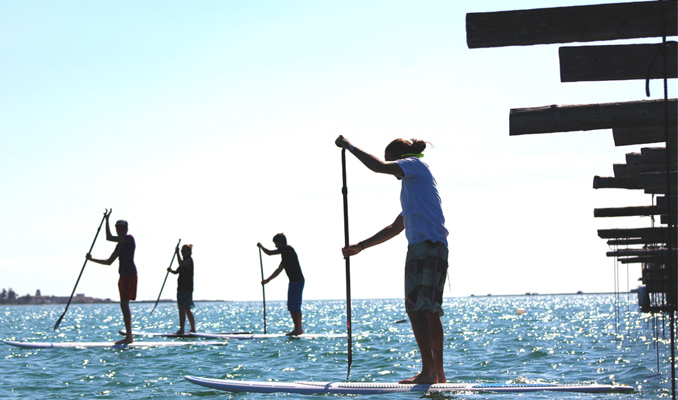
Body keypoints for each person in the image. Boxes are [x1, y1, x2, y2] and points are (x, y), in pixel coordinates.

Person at [335, 135, 449, 384]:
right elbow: (395, 228)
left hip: (427, 247)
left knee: (425, 310)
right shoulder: (414, 190)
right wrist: (361, 246)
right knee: (419, 310)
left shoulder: (413, 164)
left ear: (399, 157)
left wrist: (350, 146)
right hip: (424, 247)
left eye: (393, 165)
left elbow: (377, 167)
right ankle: (435, 374)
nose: (395, 174)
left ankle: (432, 373)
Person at [86, 211, 138, 344]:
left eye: (122, 228)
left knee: (124, 304)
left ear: (126, 229)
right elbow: (109, 262)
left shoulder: (129, 238)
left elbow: (108, 237)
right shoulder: (119, 245)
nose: (119, 230)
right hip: (122, 275)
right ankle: (129, 336)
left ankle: (129, 337)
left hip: (130, 274)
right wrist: (91, 260)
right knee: (123, 305)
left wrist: (106, 220)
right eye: (117, 228)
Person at [258, 233, 305, 336]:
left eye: (276, 243)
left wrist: (261, 247)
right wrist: (267, 280)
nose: (275, 246)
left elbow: (270, 253)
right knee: (294, 306)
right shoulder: (286, 255)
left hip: (296, 281)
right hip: (296, 281)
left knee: (294, 307)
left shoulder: (287, 249)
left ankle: (298, 330)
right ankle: (299, 329)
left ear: (280, 242)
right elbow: (278, 270)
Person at [167, 244, 196, 335]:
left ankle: (192, 329)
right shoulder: (184, 261)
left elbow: (181, 264)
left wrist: (177, 253)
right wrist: (170, 270)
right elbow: (177, 271)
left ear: (189, 252)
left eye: (184, 251)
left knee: (187, 308)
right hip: (180, 288)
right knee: (181, 309)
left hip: (187, 289)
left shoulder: (189, 261)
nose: (183, 253)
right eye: (181, 251)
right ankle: (182, 329)